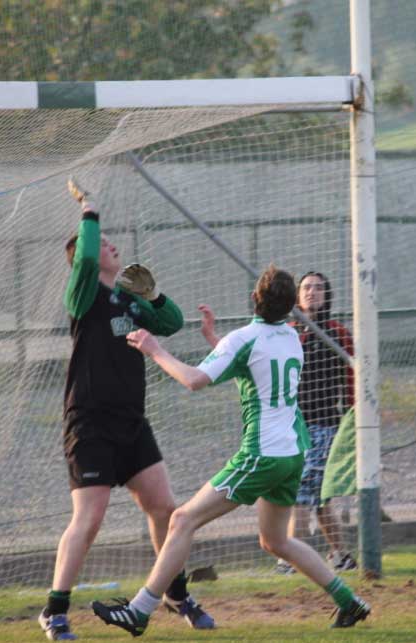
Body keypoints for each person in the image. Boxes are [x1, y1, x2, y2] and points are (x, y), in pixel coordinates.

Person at [91, 265, 370, 636]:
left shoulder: (244, 338)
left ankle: (140, 611)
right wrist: (215, 341)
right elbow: (256, 365)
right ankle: (349, 602)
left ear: (254, 298)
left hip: (262, 454)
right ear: (291, 308)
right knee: (276, 540)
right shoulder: (290, 335)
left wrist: (154, 349)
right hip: (292, 451)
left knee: (181, 520)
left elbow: (193, 380)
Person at [38, 179, 214, 641]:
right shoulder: (82, 296)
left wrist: (153, 295)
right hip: (90, 423)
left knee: (164, 507)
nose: (111, 248)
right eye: (102, 246)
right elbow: (89, 247)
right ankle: (54, 611)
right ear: (84, 260)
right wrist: (89, 208)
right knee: (89, 519)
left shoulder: (128, 301)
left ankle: (174, 593)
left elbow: (172, 324)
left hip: (131, 422)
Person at [275, 271, 357, 574]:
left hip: (324, 425)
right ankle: (341, 555)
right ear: (297, 296)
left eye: (319, 288)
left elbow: (352, 380)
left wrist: (354, 419)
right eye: (307, 287)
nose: (312, 292)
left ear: (327, 295)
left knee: (301, 491)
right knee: (319, 498)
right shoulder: (286, 331)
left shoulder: (337, 332)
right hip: (290, 427)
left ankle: (288, 558)